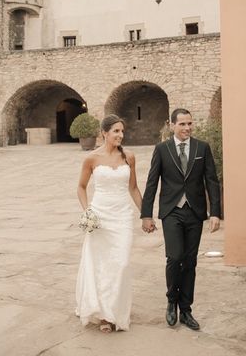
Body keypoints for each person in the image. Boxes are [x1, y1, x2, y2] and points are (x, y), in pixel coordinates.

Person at [141, 108, 221, 331]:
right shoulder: (162, 149)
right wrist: (146, 214)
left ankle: (186, 310)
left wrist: (215, 212)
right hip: (171, 211)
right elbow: (151, 183)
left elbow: (212, 181)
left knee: (191, 261)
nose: (187, 128)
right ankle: (171, 301)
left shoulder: (201, 148)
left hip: (195, 212)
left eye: (190, 124)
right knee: (175, 257)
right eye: (182, 124)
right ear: (172, 125)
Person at [75, 114, 143, 333]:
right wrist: (88, 212)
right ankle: (105, 315)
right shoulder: (92, 158)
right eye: (116, 131)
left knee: (121, 263)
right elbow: (81, 187)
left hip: (122, 216)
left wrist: (146, 214)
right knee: (101, 265)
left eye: (122, 131)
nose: (120, 135)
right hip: (100, 216)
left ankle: (116, 310)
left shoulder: (129, 156)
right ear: (104, 133)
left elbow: (133, 188)